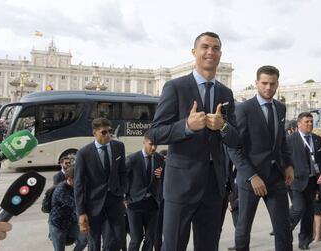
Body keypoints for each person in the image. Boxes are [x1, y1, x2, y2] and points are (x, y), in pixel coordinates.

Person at [148, 31, 239, 251]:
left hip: (214, 186)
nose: (210, 52)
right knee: (174, 246)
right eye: (205, 47)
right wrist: (186, 126)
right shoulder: (175, 87)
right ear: (194, 52)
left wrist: (223, 126)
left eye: (215, 48)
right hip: (181, 185)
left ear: (220, 54)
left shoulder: (226, 93)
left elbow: (237, 140)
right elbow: (155, 133)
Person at [228, 65, 294, 251]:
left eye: (272, 84)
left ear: (277, 84)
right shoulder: (243, 109)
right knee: (243, 228)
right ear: (256, 83)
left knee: (283, 228)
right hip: (250, 179)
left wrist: (288, 164)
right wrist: (251, 176)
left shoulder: (280, 108)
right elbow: (233, 148)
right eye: (264, 83)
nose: (268, 87)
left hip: (276, 176)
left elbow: (281, 141)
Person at [74, 117, 127, 251]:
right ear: (94, 133)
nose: (108, 135)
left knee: (117, 239)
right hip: (93, 205)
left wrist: (123, 194)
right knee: (94, 242)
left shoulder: (119, 147)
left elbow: (122, 172)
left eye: (110, 131)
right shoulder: (83, 154)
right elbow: (79, 184)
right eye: (104, 132)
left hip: (115, 201)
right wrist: (81, 213)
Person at [287, 114, 321, 250]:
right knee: (299, 208)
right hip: (296, 181)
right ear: (299, 124)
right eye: (307, 122)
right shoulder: (290, 140)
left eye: (311, 121)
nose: (310, 124)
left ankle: (304, 241)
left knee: (309, 213)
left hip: (313, 182)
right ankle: (284, 228)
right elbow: (283, 159)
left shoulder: (317, 139)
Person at [125, 132, 164, 251]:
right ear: (144, 142)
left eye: (156, 145)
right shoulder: (132, 159)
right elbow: (123, 178)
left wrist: (163, 174)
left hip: (153, 203)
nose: (153, 148)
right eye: (151, 144)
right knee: (136, 239)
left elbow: (165, 179)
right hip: (135, 204)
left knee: (150, 238)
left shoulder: (159, 158)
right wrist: (124, 198)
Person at [49, 166, 87, 251]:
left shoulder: (75, 187)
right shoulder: (61, 190)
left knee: (84, 239)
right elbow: (76, 205)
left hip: (71, 222)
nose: (80, 181)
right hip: (58, 225)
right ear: (70, 179)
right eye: (78, 179)